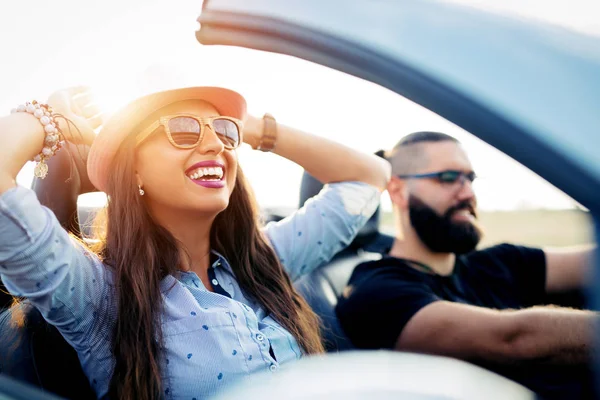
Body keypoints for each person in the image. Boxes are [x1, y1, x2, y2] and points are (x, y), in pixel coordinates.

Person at [0, 86, 391, 399]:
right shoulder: (98, 292)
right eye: (183, 129)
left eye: (223, 132)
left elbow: (370, 176)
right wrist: (50, 119)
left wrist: (250, 126)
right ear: (133, 166)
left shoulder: (263, 262)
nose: (216, 145)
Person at [335, 131, 597, 399]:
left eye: (469, 178)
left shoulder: (498, 263)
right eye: (448, 178)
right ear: (398, 190)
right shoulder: (376, 290)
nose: (468, 193)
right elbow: (514, 338)